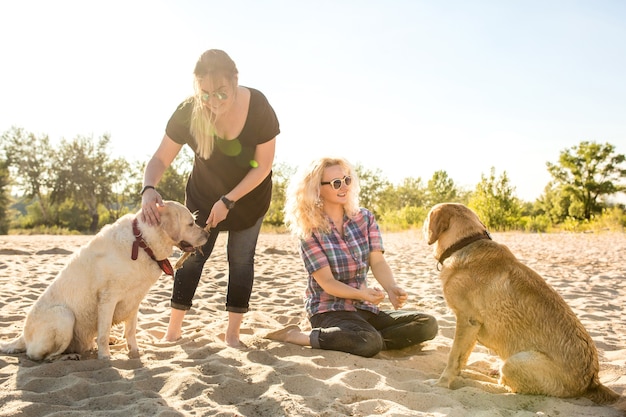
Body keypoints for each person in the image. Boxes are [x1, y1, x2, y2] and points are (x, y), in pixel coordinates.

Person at [141, 49, 279, 347]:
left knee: (241, 260)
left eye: (221, 93)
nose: (213, 101)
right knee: (192, 260)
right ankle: (173, 331)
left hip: (249, 196)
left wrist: (229, 200)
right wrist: (148, 188)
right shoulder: (187, 112)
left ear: (235, 81)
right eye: (205, 93)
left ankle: (232, 335)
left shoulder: (258, 106)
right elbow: (160, 159)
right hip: (203, 198)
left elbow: (264, 165)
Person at [266, 157, 438, 357]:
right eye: (336, 183)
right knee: (369, 341)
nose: (344, 187)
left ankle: (357, 338)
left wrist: (391, 288)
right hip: (329, 310)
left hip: (363, 308)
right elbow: (328, 283)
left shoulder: (365, 218)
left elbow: (378, 261)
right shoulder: (309, 231)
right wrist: (362, 294)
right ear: (317, 189)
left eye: (347, 180)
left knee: (427, 324)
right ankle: (297, 336)